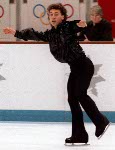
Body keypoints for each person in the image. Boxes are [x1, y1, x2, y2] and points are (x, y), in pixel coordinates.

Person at [3, 3, 110, 144]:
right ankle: (80, 135)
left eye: (56, 14)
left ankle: (101, 121)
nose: (53, 16)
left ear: (62, 17)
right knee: (72, 99)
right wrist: (15, 33)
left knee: (80, 94)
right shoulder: (50, 34)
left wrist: (80, 24)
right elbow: (34, 34)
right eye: (51, 14)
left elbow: (74, 25)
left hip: (83, 66)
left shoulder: (66, 27)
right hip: (75, 68)